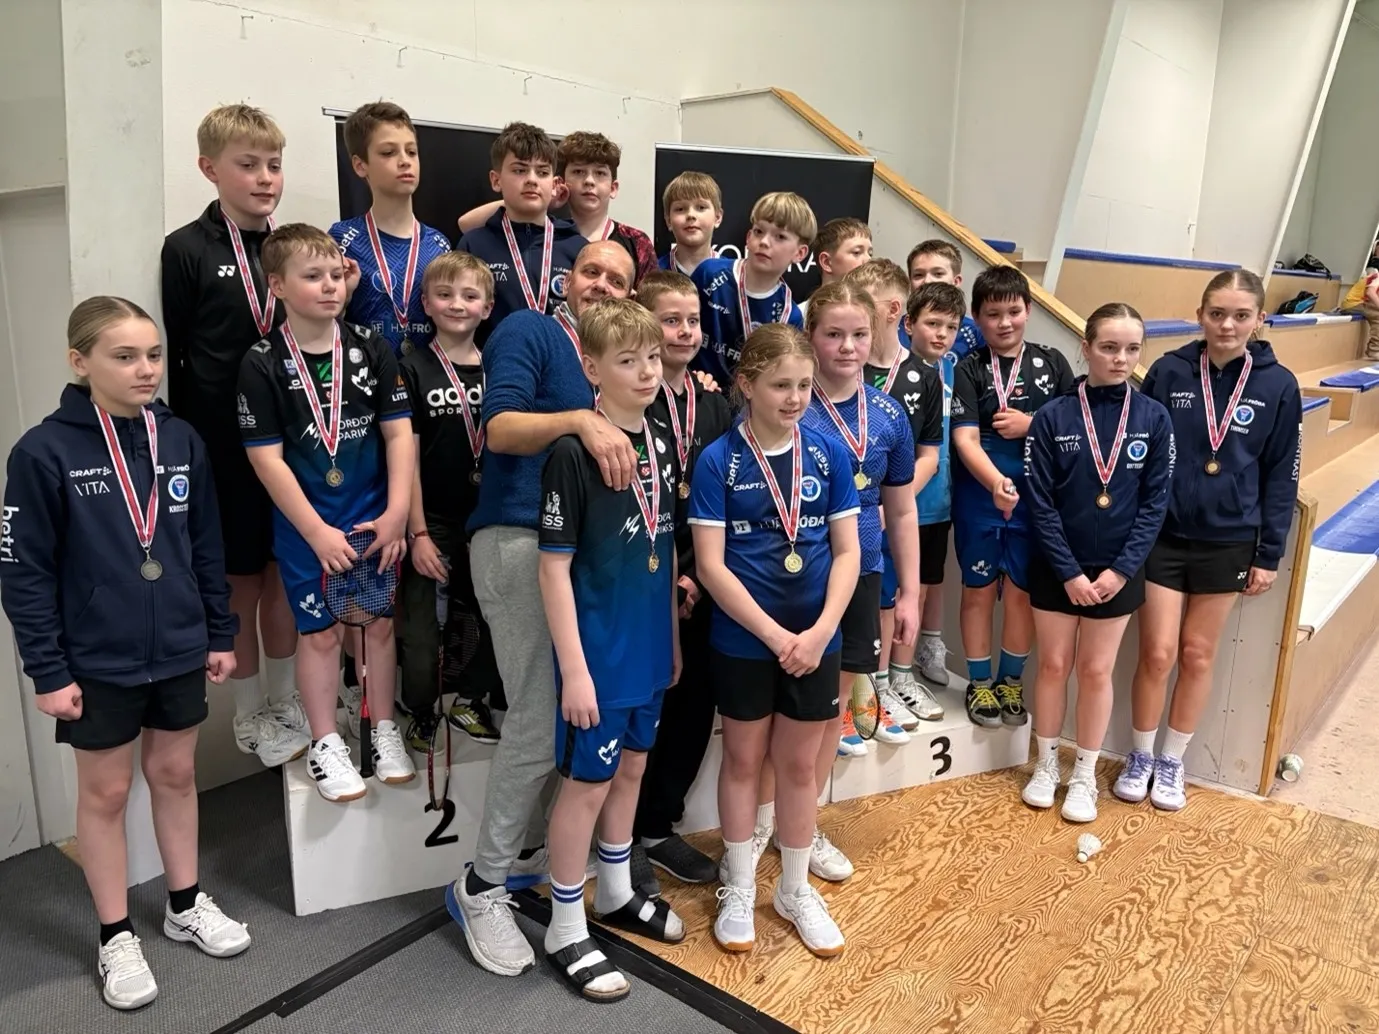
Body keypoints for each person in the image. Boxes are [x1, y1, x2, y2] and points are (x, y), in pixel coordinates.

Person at [0, 297, 250, 1011]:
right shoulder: (43, 452)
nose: (146, 369)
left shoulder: (180, 439)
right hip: (95, 658)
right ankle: (115, 933)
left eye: (153, 354)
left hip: (178, 645)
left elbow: (205, 543)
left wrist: (218, 631)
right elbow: (23, 570)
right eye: (124, 356)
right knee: (106, 795)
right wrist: (47, 669)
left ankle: (184, 903)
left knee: (175, 774)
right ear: (80, 362)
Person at [444, 240, 639, 979]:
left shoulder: (615, 361)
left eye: (618, 279)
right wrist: (581, 420)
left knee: (572, 712)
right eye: (592, 272)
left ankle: (529, 852)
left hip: (583, 553)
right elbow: (498, 429)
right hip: (518, 540)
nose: (603, 285)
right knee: (534, 716)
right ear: (566, 280)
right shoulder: (530, 329)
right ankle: (481, 884)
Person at [690, 324, 860, 958]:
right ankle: (738, 885)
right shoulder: (718, 461)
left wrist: (819, 633)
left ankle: (793, 889)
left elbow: (847, 553)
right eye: (780, 385)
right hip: (744, 640)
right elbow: (711, 566)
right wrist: (775, 635)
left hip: (816, 640)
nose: (795, 398)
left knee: (797, 767)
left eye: (804, 386)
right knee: (742, 762)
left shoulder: (828, 454)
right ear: (746, 384)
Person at [538, 298, 686, 1001]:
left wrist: (673, 639)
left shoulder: (661, 436)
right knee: (587, 786)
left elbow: (667, 544)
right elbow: (552, 570)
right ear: (592, 369)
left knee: (631, 770)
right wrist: (573, 669)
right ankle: (566, 926)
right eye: (628, 361)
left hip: (649, 647)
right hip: (597, 657)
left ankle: (618, 890)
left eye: (652, 357)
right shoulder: (573, 454)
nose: (647, 371)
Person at [237, 224, 417, 802]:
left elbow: (399, 435)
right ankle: (325, 742)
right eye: (312, 276)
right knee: (320, 634)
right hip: (306, 527)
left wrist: (396, 514)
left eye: (336, 275)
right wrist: (315, 532)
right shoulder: (261, 362)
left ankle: (383, 729)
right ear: (277, 286)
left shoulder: (370, 346)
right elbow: (266, 460)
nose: (330, 286)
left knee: (377, 625)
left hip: (373, 516)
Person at [1115, 269, 1302, 811]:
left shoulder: (1278, 385)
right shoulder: (1170, 370)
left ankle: (1173, 761)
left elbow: (1281, 475)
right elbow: (1139, 450)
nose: (1227, 325)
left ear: (1260, 319)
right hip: (1163, 535)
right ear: (1200, 314)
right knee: (1157, 652)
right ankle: (1141, 755)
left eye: (1241, 315)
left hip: (1230, 540)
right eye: (1217, 313)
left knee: (1197, 654)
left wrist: (1269, 553)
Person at [160, 103, 306, 767]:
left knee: (284, 577)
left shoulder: (294, 250)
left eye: (273, 164)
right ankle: (249, 714)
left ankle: (286, 699)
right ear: (209, 168)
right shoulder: (187, 249)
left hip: (296, 440)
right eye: (248, 165)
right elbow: (179, 353)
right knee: (239, 585)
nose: (265, 177)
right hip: (223, 449)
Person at [1022, 304, 1173, 822]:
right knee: (1052, 665)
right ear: (1085, 349)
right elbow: (1039, 501)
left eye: (1131, 349)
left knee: (1095, 669)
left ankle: (1084, 773)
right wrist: (1068, 571)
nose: (1121, 359)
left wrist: (1121, 571)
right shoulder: (1053, 416)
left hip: (1117, 570)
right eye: (1109, 347)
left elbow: (1155, 503)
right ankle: (1047, 764)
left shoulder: (1153, 417)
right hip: (1056, 565)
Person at [635, 271, 733, 888]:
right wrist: (670, 578)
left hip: (703, 577)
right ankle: (618, 838)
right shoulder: (629, 400)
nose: (685, 331)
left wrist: (696, 576)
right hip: (642, 577)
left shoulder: (716, 403)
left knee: (695, 705)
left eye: (693, 320)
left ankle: (657, 826)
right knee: (644, 708)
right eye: (670, 320)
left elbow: (727, 498)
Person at [951, 266, 1075, 728]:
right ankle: (980, 682)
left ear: (1029, 310)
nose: (1004, 322)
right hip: (980, 495)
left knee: (1023, 594)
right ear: (977, 317)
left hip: (1038, 497)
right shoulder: (969, 368)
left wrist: (1033, 424)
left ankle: (1010, 681)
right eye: (992, 314)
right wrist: (995, 484)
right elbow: (964, 439)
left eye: (1013, 311)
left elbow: (1075, 428)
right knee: (978, 591)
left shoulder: (1053, 363)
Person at [396, 252, 504, 750]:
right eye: (444, 294)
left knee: (489, 615)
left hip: (486, 518)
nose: (457, 304)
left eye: (469, 295)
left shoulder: (500, 369)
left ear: (488, 307)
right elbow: (406, 462)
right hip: (432, 520)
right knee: (422, 629)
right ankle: (421, 710)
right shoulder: (411, 369)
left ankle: (469, 700)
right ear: (426, 303)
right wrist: (417, 532)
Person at [844, 260, 944, 725]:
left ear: (891, 309)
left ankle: (881, 687)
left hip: (895, 508)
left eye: (864, 304)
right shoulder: (846, 366)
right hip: (848, 510)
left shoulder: (923, 373)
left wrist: (892, 502)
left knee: (889, 597)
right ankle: (852, 695)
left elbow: (929, 455)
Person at [330, 101, 453, 355]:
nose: (405, 161)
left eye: (411, 152)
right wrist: (344, 299)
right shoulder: (342, 240)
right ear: (360, 165)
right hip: (365, 373)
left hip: (428, 376)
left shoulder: (439, 244)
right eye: (388, 153)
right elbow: (321, 323)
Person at [459, 131, 657, 286]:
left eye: (599, 173)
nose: (589, 181)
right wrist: (544, 198)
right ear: (560, 182)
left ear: (613, 188)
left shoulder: (635, 241)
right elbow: (466, 223)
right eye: (578, 172)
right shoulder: (548, 231)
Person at [456, 122, 585, 342]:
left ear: (554, 184)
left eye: (542, 172)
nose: (532, 179)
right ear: (496, 180)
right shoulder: (474, 245)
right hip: (492, 361)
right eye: (519, 170)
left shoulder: (577, 247)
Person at [904, 282, 968, 697]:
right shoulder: (897, 371)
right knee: (900, 592)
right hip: (903, 499)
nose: (942, 334)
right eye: (932, 324)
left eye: (951, 326)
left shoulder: (953, 371)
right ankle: (887, 673)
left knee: (927, 586)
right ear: (909, 323)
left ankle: (910, 663)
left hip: (939, 502)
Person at [691, 191, 814, 385]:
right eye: (759, 232)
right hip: (696, 391)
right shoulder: (709, 274)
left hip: (747, 400)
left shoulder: (790, 316)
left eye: (780, 236)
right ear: (748, 238)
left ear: (800, 253)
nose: (764, 242)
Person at [905, 239, 985, 359]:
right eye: (918, 275)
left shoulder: (975, 332)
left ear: (956, 281)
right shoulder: (894, 329)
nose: (927, 281)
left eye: (938, 274)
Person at [797, 218, 873, 322]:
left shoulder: (873, 314)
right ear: (826, 262)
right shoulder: (798, 318)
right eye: (857, 252)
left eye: (870, 254)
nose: (868, 260)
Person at [659, 171, 724, 275]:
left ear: (717, 217)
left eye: (701, 207)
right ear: (668, 221)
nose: (691, 215)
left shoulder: (733, 275)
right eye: (680, 209)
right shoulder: (654, 273)